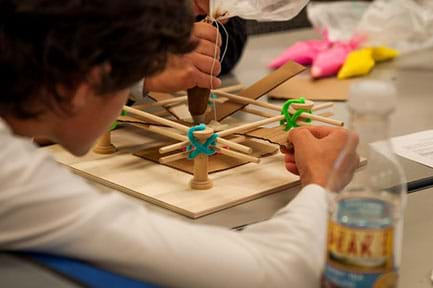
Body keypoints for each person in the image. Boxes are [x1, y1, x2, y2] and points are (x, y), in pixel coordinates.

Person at [0, 1, 360, 287]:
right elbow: (278, 272)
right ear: (84, 84)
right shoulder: (12, 180)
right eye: (133, 75)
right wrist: (321, 186)